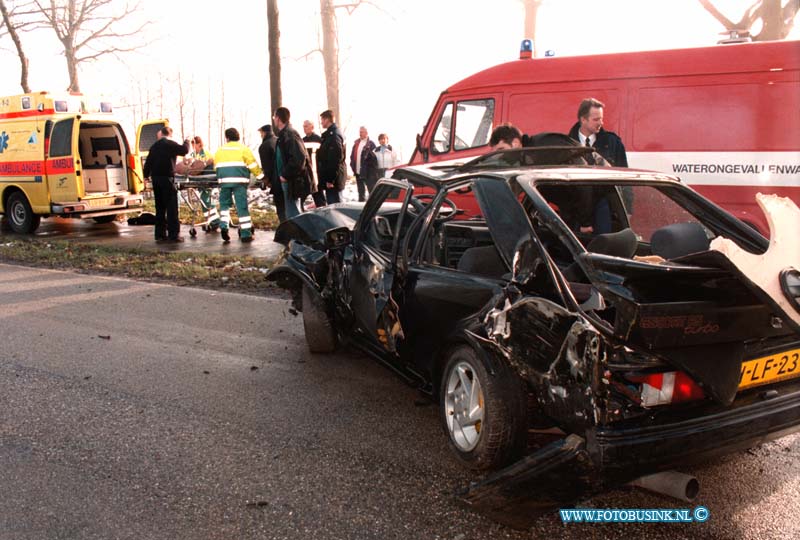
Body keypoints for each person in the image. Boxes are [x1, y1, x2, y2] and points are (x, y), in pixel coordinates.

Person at [214, 127, 263, 243]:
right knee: (242, 207)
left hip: (224, 182)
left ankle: (224, 227)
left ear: (227, 138)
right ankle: (246, 234)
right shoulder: (243, 149)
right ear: (238, 137)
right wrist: (261, 177)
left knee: (224, 206)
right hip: (239, 182)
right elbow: (253, 166)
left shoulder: (220, 150)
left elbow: (216, 167)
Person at [142, 126, 190, 243]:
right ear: (170, 135)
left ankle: (160, 235)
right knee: (171, 207)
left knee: (160, 208)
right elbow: (184, 150)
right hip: (167, 178)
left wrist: (145, 176)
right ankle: (173, 235)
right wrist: (187, 141)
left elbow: (148, 162)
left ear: (161, 134)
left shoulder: (154, 146)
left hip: (156, 179)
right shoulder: (170, 144)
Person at [273, 107, 311, 219]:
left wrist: (285, 175)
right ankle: (295, 236)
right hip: (287, 180)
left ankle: (298, 236)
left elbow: (299, 158)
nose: (274, 119)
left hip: (291, 181)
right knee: (291, 213)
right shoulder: (284, 134)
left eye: (274, 117)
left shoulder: (290, 134)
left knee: (294, 214)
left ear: (278, 118)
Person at [567, 98, 628, 167]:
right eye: (596, 120)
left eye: (601, 119)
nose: (601, 123)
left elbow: (623, 173)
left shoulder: (614, 143)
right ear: (583, 119)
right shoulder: (566, 145)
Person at [317, 109, 347, 204]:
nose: (321, 122)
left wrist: (330, 180)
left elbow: (335, 159)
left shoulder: (334, 136)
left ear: (327, 120)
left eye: (322, 119)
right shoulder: (331, 134)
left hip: (334, 181)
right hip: (333, 179)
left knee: (336, 209)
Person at [190, 136, 220, 231]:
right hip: (200, 179)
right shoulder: (194, 154)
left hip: (206, 179)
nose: (193, 147)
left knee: (206, 201)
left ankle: (215, 222)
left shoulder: (205, 153)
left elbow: (208, 164)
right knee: (204, 201)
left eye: (194, 145)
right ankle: (212, 221)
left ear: (199, 144)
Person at [258, 124, 283, 222]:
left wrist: (266, 180)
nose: (260, 135)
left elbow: (266, 166)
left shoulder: (264, 146)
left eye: (261, 133)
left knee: (281, 207)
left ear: (264, 133)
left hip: (275, 180)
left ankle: (285, 229)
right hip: (285, 177)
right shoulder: (279, 140)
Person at [302, 119, 326, 209]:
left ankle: (323, 212)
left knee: (319, 195)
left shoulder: (318, 139)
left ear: (312, 127)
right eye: (303, 126)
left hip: (317, 172)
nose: (304, 128)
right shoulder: (302, 140)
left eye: (306, 126)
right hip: (307, 172)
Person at [349, 126, 378, 201]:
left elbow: (374, 160)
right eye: (359, 132)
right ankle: (361, 208)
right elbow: (352, 156)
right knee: (360, 192)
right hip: (358, 172)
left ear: (366, 133)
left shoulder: (371, 144)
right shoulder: (356, 143)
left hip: (368, 172)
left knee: (371, 192)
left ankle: (372, 209)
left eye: (361, 132)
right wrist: (352, 166)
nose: (360, 134)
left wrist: (371, 171)